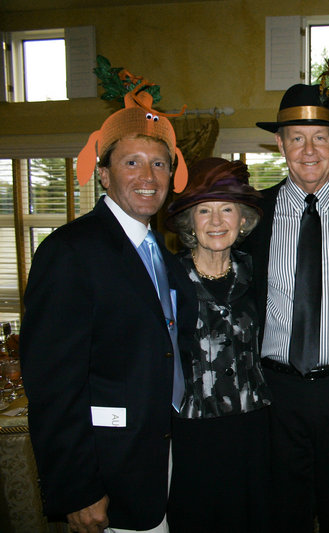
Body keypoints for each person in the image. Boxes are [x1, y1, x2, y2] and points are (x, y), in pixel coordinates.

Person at [20, 89, 196, 533]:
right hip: (109, 473)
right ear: (103, 174)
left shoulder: (165, 256)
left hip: (163, 460)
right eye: (131, 162)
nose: (148, 176)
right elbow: (53, 384)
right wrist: (77, 487)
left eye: (159, 163)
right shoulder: (70, 251)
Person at [240, 83, 329, 532]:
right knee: (280, 515)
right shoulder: (250, 213)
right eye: (297, 137)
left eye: (320, 137)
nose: (309, 149)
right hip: (275, 394)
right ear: (280, 143)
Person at [164, 157, 271, 532]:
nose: (215, 221)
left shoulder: (259, 272)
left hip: (255, 426)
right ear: (189, 223)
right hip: (193, 431)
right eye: (204, 210)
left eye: (227, 209)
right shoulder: (168, 277)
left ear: (243, 220)